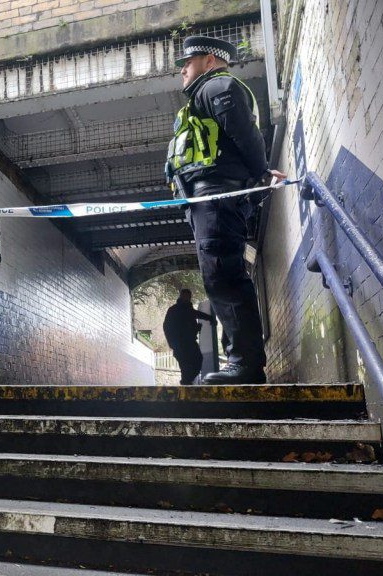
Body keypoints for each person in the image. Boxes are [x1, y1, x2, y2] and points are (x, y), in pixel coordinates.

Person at [165, 36, 286, 384]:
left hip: (217, 196)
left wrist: (261, 171)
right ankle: (241, 360)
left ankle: (245, 365)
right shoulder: (204, 94)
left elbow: (245, 134)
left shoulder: (217, 86)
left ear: (209, 59)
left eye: (187, 62)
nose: (183, 71)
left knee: (223, 274)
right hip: (209, 200)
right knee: (219, 275)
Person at [163, 288, 212, 385]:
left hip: (190, 343)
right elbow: (167, 327)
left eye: (188, 296)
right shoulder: (174, 310)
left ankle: (187, 383)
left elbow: (197, 315)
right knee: (186, 368)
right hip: (180, 345)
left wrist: (208, 320)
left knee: (197, 361)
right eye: (185, 296)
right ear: (181, 296)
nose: (187, 298)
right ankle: (186, 386)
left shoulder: (189, 310)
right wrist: (173, 344)